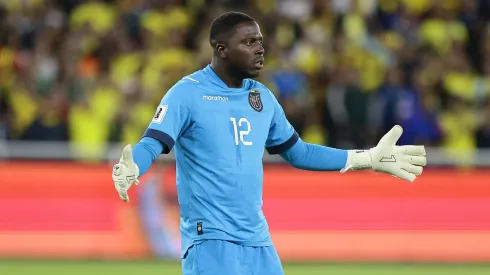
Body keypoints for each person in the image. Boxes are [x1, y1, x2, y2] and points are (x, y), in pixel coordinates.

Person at [111, 11, 427, 275]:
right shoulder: (187, 93)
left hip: (258, 241)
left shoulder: (261, 98)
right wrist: (133, 165)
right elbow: (153, 142)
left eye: (260, 42)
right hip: (211, 240)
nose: (260, 49)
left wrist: (368, 158)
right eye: (248, 42)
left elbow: (299, 152)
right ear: (221, 50)